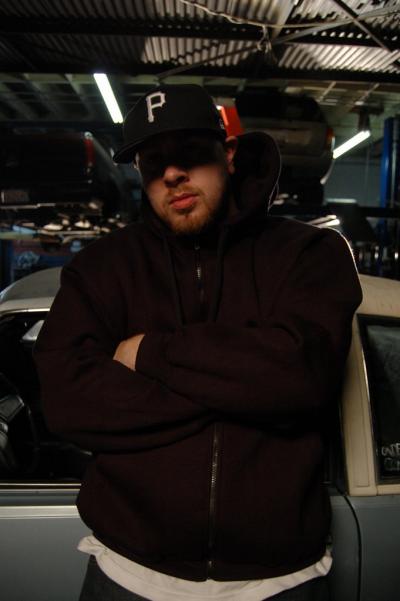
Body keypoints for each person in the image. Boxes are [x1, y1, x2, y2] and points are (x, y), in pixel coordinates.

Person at [33, 84, 362, 601]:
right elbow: (66, 401)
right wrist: (246, 390)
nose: (171, 174)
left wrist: (147, 353)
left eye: (188, 152)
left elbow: (303, 376)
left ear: (228, 154)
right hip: (129, 573)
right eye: (152, 163)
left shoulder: (308, 254)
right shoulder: (102, 268)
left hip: (280, 580)